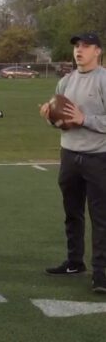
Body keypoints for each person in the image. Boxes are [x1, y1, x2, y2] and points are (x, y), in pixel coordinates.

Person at [39, 32, 106, 294]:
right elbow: (60, 123)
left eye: (86, 46)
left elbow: (82, 119)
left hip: (98, 158)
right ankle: (74, 262)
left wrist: (85, 118)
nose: (79, 50)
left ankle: (101, 273)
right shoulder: (65, 82)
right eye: (77, 46)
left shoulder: (103, 80)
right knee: (72, 213)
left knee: (100, 218)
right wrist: (48, 116)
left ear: (97, 51)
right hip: (69, 156)